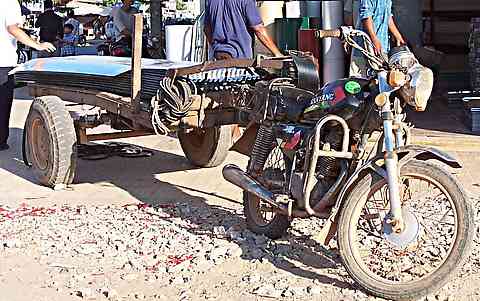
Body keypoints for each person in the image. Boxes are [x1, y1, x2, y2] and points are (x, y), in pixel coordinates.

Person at [0, 0, 55, 151]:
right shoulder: (9, 2)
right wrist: (37, 45)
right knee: (2, 104)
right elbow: (12, 28)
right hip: (2, 61)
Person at [204, 0, 282, 60]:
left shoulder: (210, 1)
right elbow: (258, 29)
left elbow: (207, 29)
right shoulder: (246, 1)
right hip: (240, 59)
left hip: (219, 56)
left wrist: (215, 46)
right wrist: (277, 53)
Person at [350, 0, 405, 77]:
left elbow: (388, 16)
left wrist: (398, 36)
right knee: (359, 80)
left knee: (382, 79)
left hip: (383, 46)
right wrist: (374, 39)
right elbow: (366, 16)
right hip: (364, 46)